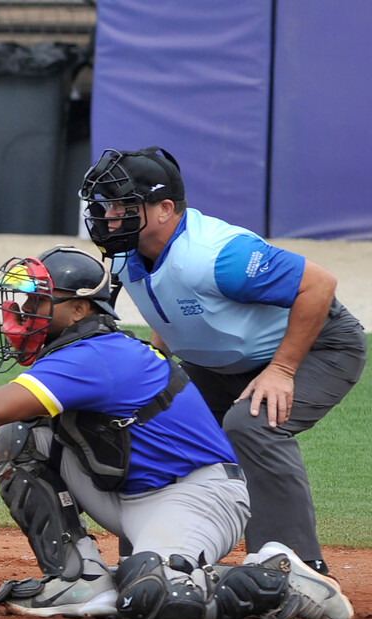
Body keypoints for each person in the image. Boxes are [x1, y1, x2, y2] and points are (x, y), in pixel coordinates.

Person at [0, 245, 351, 619]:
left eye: (38, 302)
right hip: (125, 491)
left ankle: (280, 576)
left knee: (155, 602)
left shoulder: (100, 356)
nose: (22, 314)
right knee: (23, 436)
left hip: (197, 497)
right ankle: (80, 579)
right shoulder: (71, 354)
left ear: (79, 308)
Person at [79, 147, 367, 576]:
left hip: (317, 346)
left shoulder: (216, 255)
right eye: (108, 204)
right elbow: (169, 304)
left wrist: (283, 370)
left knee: (252, 425)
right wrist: (161, 361)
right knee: (151, 420)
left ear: (164, 209)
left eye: (124, 205)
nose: (110, 215)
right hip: (223, 362)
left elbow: (319, 285)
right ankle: (152, 560)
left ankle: (294, 571)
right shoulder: (128, 250)